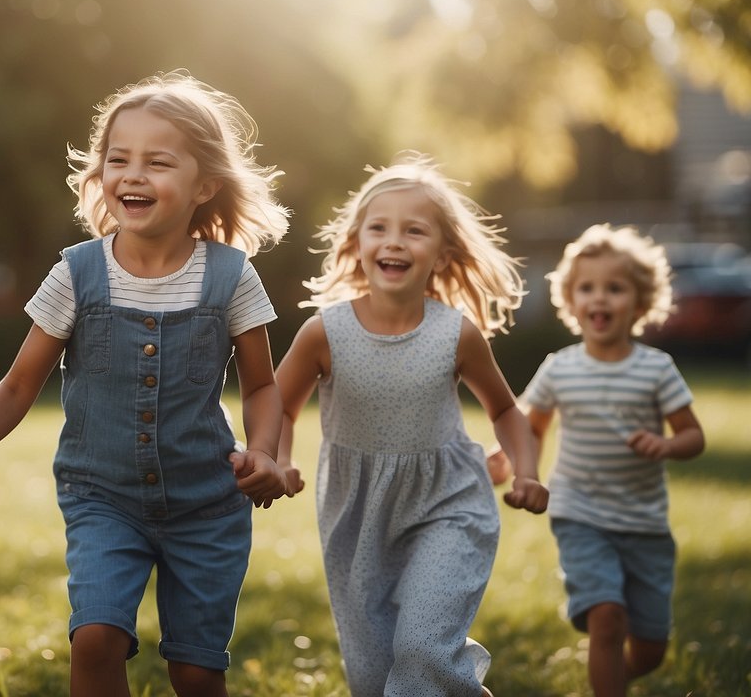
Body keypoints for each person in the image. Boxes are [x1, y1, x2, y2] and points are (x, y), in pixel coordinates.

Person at [0, 71, 291, 697]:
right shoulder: (76, 274)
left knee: (196, 670)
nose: (133, 174)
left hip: (206, 503)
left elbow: (261, 387)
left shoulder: (232, 277)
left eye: (158, 161)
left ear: (205, 184)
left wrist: (265, 451)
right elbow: (16, 387)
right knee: (95, 638)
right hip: (103, 499)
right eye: (117, 159)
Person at [274, 153, 549, 697]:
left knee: (422, 651)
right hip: (356, 518)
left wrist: (527, 471)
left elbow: (505, 410)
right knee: (376, 678)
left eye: (414, 230)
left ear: (443, 254)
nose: (394, 242)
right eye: (379, 228)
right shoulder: (322, 333)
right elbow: (276, 406)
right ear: (356, 243)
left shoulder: (457, 334)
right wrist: (278, 460)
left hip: (449, 502)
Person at [521, 224, 705, 697]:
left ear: (641, 303)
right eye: (587, 288)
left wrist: (667, 445)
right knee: (607, 618)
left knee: (650, 648)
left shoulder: (656, 368)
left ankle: (615, 678)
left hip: (645, 524)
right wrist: (522, 471)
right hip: (580, 515)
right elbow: (531, 426)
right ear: (570, 300)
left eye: (614, 288)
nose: (599, 298)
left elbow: (693, 435)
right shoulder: (559, 367)